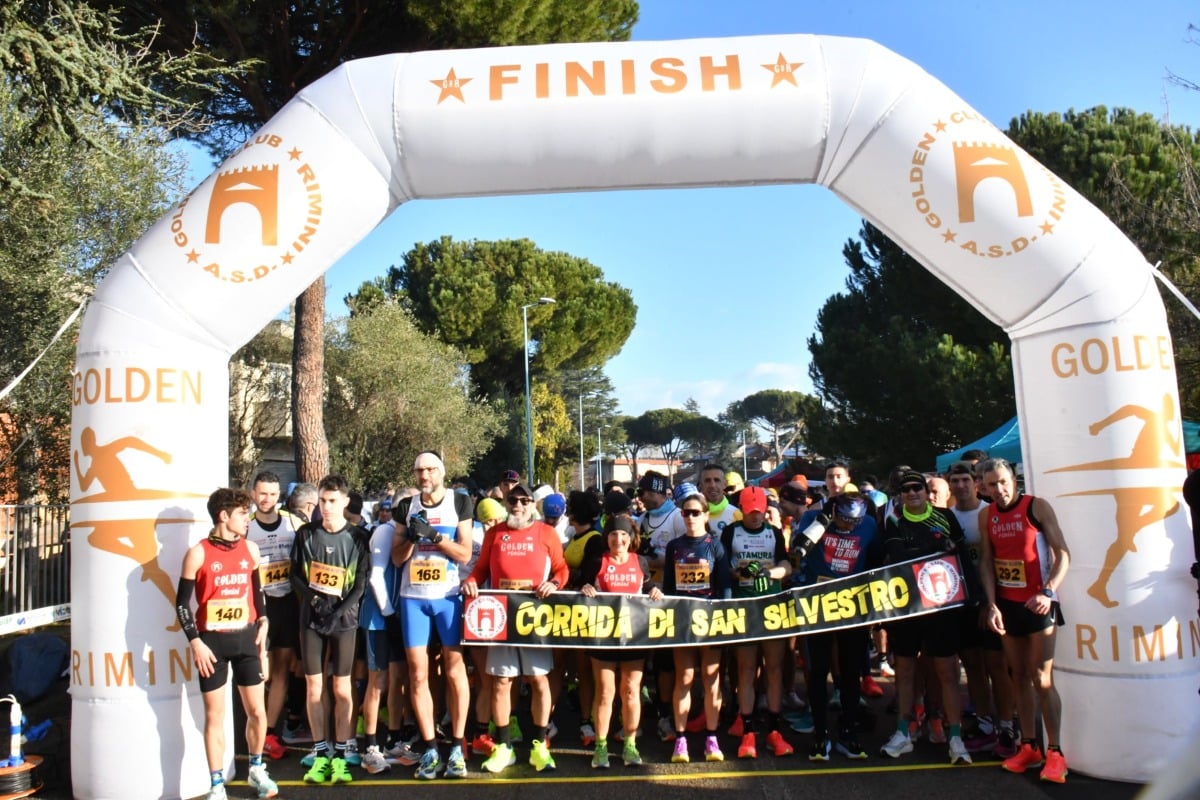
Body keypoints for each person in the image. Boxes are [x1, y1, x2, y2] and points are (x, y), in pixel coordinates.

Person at [175, 488, 278, 800]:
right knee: (214, 717)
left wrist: (263, 621)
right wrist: (195, 642)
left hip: (247, 640)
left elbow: (257, 592)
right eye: (242, 513)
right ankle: (216, 784)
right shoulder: (198, 553)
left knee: (258, 713)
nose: (247, 519)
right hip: (212, 644)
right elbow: (181, 604)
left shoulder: (251, 549)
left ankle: (257, 770)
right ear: (223, 516)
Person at [461, 482, 568, 775]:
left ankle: (538, 745)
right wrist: (471, 581)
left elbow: (562, 569)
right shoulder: (495, 534)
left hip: (533, 617)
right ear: (506, 504)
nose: (518, 505)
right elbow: (480, 569)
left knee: (538, 681)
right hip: (500, 616)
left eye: (524, 500)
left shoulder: (546, 533)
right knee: (501, 682)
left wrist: (555, 583)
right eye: (513, 500)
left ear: (533, 504)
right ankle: (505, 746)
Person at [977, 458, 1071, 783]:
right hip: (1008, 605)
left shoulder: (1036, 507)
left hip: (1038, 606)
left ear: (1014, 480)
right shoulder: (986, 515)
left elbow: (1063, 554)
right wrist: (991, 604)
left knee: (1042, 680)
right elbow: (987, 563)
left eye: (1003, 482)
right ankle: (1029, 745)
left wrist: (1048, 592)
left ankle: (1056, 752)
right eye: (991, 485)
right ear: (983, 487)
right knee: (1017, 675)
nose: (999, 490)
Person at [879, 470, 973, 766]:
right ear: (901, 494)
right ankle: (903, 732)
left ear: (925, 490)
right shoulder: (894, 520)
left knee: (947, 672)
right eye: (905, 489)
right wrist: (937, 548)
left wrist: (975, 597)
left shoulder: (946, 516)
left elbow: (964, 556)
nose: (912, 493)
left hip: (942, 605)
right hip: (907, 608)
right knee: (905, 673)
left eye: (916, 488)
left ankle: (955, 735)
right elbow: (898, 557)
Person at [391, 451, 475, 780]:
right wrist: (412, 538)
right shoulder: (406, 507)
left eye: (429, 469)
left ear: (441, 472)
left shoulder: (459, 502)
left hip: (448, 598)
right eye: (419, 470)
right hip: (413, 599)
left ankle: (456, 745)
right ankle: (429, 748)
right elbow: (398, 559)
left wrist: (435, 536)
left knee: (455, 671)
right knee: (417, 674)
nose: (424, 475)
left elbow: (465, 553)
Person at [290, 475, 371, 785]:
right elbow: (295, 575)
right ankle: (320, 751)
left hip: (344, 622)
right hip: (311, 620)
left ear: (345, 502)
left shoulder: (358, 537)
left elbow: (361, 581)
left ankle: (341, 752)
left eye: (333, 501)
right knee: (314, 687)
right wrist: (313, 599)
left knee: (341, 688)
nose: (326, 507)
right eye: (322, 500)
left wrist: (339, 610)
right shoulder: (306, 534)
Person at [799, 493, 883, 761]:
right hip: (818, 603)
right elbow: (797, 550)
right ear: (834, 511)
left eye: (855, 522)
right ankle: (820, 733)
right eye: (846, 520)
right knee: (818, 669)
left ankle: (848, 730)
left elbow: (877, 561)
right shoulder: (813, 518)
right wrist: (822, 523)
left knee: (850, 671)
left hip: (852, 604)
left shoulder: (868, 524)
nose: (851, 527)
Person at [579, 515, 664, 768]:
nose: (619, 539)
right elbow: (581, 588)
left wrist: (655, 590)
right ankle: (601, 746)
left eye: (624, 535)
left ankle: (630, 744)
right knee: (605, 692)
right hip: (603, 637)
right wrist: (585, 589)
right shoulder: (598, 561)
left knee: (630, 690)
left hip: (633, 636)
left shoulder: (640, 562)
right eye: (614, 534)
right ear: (607, 537)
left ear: (631, 538)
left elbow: (648, 587)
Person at [945, 461, 1015, 758]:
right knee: (972, 665)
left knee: (997, 666)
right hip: (961, 603)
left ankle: (1008, 726)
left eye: (965, 480)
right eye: (955, 481)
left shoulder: (987, 512)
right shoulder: (946, 517)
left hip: (991, 599)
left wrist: (991, 602)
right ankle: (985, 723)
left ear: (976, 483)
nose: (960, 486)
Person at [720, 485, 794, 759]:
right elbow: (724, 565)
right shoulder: (731, 532)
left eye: (759, 511)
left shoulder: (774, 533)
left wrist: (773, 571)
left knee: (773, 669)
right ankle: (748, 730)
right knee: (746, 669)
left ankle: (774, 730)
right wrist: (737, 573)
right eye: (750, 512)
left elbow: (786, 565)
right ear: (741, 509)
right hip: (744, 606)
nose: (755, 516)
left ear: (765, 509)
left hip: (771, 607)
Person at [663, 483, 733, 763]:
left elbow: (725, 587)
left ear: (705, 515)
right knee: (685, 679)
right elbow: (668, 587)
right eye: (685, 512)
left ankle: (712, 739)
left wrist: (723, 619)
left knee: (711, 681)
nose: (689, 517)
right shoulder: (674, 547)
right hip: (682, 620)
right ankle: (680, 740)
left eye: (695, 513)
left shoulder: (715, 545)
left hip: (709, 622)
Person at [245, 471, 303, 761]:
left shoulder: (294, 523)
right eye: (262, 493)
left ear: (279, 495)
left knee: (281, 670)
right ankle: (253, 726)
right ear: (254, 494)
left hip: (287, 603)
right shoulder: (245, 526)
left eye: (272, 494)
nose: (267, 499)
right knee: (259, 672)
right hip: (258, 606)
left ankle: (268, 732)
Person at [635, 471, 686, 741]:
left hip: (668, 596)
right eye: (642, 494)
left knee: (666, 660)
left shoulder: (677, 517)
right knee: (643, 657)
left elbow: (687, 556)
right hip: (644, 597)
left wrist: (654, 560)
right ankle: (640, 710)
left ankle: (665, 711)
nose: (643, 498)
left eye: (647, 493)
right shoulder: (641, 520)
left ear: (662, 492)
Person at [699, 463, 741, 534]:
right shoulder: (693, 514)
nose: (712, 485)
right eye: (707, 481)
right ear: (701, 485)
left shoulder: (736, 514)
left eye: (717, 480)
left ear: (725, 484)